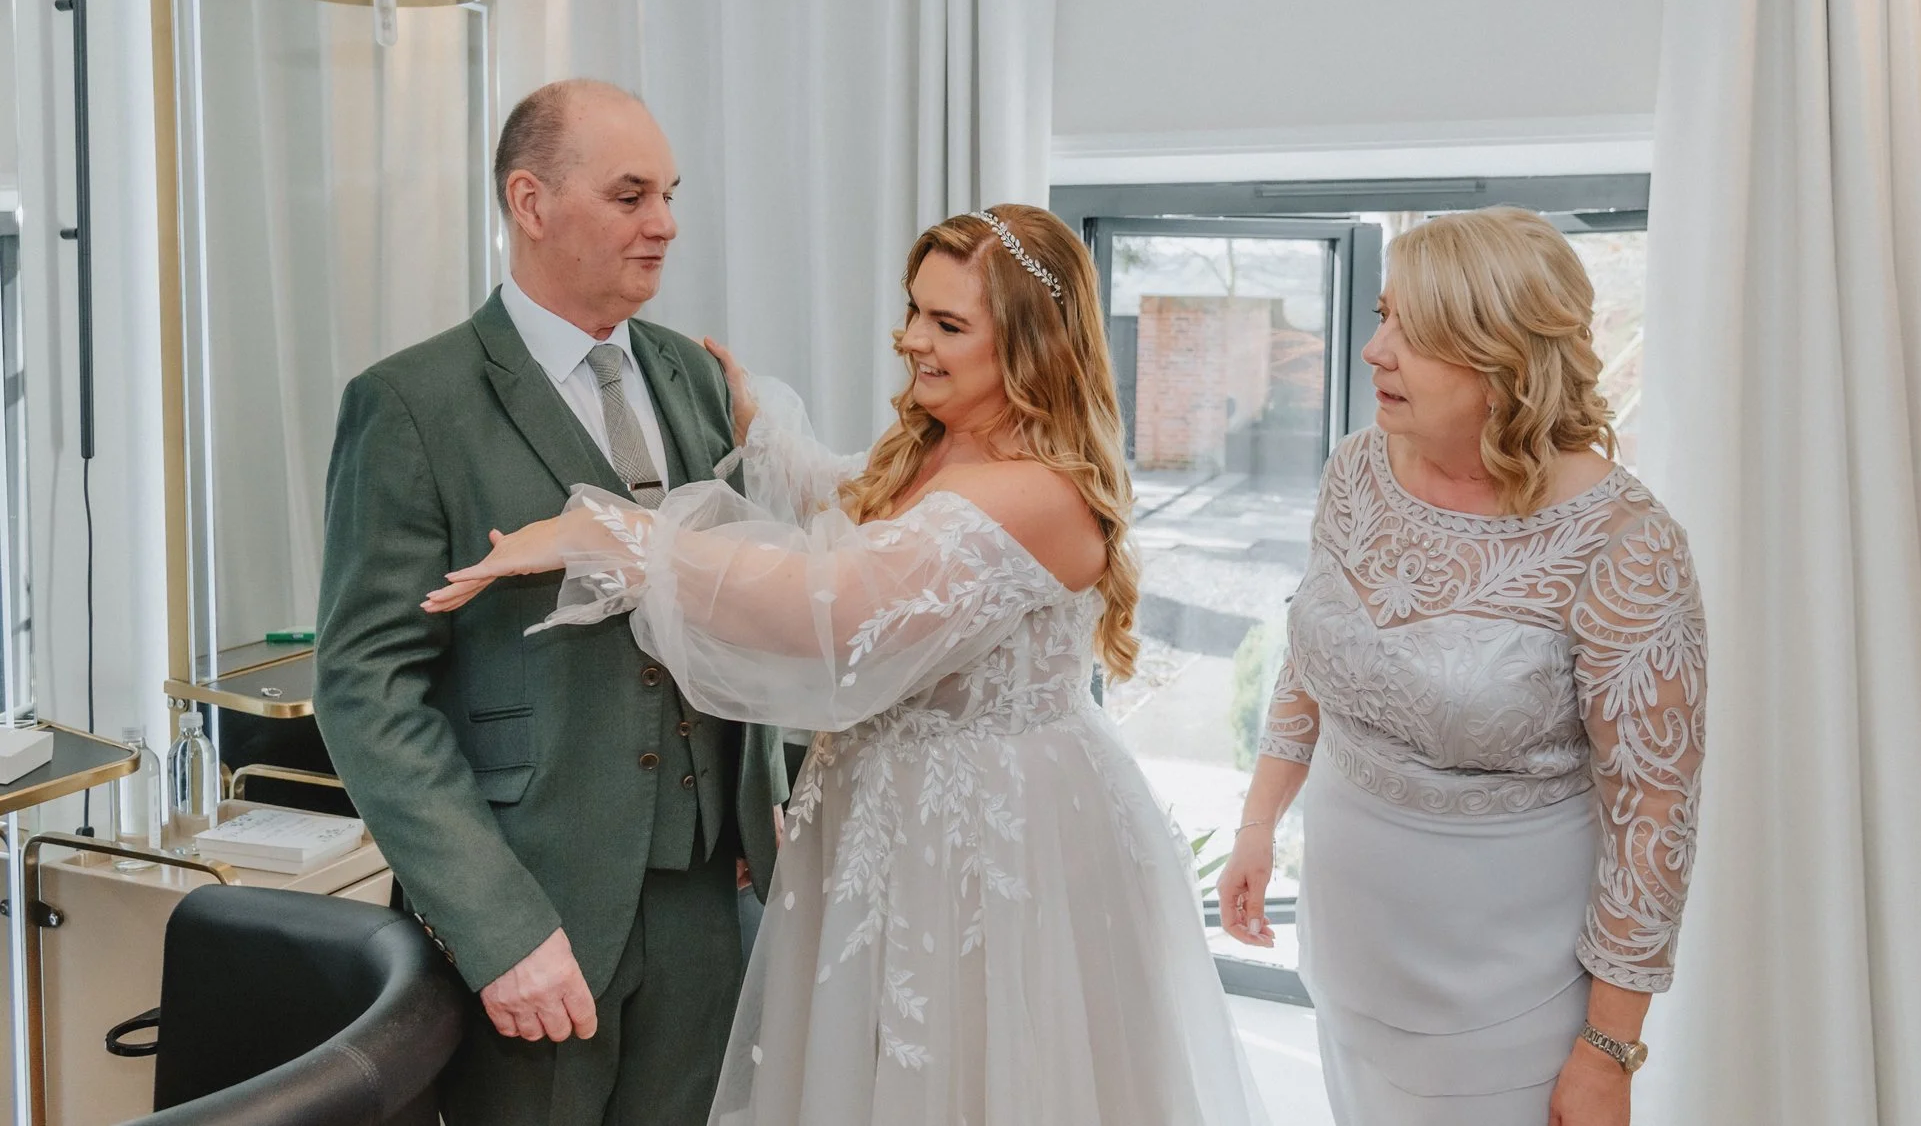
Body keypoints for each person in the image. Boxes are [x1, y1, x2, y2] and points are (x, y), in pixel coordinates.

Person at [424, 205, 1265, 1126]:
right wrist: (760, 425)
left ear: (1034, 345)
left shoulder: (1039, 492)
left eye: (948, 325)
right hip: (883, 817)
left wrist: (615, 537)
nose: (912, 340)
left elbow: (834, 600)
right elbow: (852, 498)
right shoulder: (949, 442)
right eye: (914, 311)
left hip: (988, 841)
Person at [315, 80, 789, 1125]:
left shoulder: (694, 378)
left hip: (710, 892)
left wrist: (761, 789)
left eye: (668, 195)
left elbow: (734, 597)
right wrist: (498, 930)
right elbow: (365, 690)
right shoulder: (410, 404)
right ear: (530, 203)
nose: (663, 224)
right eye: (630, 196)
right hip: (537, 908)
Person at [1215, 207, 1706, 1126]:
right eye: (1381, 314)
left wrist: (1608, 1052)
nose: (1374, 350)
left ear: (1504, 363)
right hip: (1350, 944)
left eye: (1414, 331)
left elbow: (1654, 818)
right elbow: (1313, 655)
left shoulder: (1625, 544)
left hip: (1501, 992)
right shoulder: (1357, 469)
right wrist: (1258, 823)